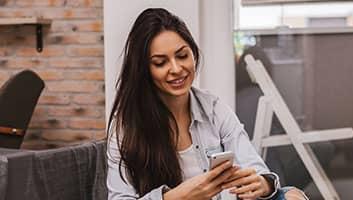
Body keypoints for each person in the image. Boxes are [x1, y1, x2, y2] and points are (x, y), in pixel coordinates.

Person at [107, 8, 308, 200]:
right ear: (144, 70)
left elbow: (254, 166)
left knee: (292, 195)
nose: (176, 68)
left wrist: (263, 184)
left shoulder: (213, 108)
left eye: (182, 55)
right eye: (161, 62)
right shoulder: (126, 126)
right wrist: (179, 196)